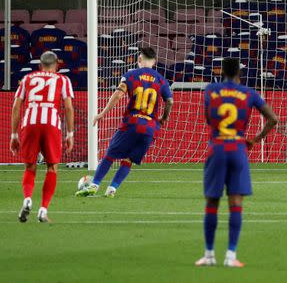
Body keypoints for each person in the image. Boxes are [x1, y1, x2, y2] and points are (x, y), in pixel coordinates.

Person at [195, 58, 279, 268]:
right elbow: (273, 119)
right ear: (239, 73)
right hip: (238, 149)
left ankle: (209, 255)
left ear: (222, 71)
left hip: (217, 148)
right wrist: (255, 140)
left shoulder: (211, 91)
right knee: (236, 203)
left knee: (212, 202)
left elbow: (208, 118)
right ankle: (231, 256)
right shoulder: (249, 93)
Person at [79, 47, 173, 197]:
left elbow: (117, 95)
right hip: (150, 127)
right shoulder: (162, 80)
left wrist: (102, 113)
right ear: (154, 61)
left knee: (110, 155)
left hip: (132, 123)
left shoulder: (130, 75)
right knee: (129, 159)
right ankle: (112, 189)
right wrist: (164, 118)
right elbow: (169, 101)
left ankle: (94, 185)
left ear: (139, 60)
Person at [10, 51, 75, 223]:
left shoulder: (27, 79)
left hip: (29, 123)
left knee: (30, 167)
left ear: (40, 65)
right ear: (57, 66)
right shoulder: (62, 80)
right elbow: (68, 107)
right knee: (52, 168)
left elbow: (16, 106)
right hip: (51, 124)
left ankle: (27, 199)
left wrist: (14, 134)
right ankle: (43, 210)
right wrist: (70, 133)